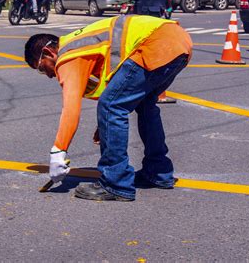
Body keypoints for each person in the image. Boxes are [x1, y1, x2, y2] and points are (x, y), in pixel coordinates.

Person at [24, 15, 192, 201]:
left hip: (155, 43)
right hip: (177, 42)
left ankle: (116, 183)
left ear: (48, 52)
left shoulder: (68, 55)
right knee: (145, 106)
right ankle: (158, 172)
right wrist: (104, 125)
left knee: (112, 106)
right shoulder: (82, 44)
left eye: (41, 67)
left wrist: (58, 151)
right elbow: (117, 85)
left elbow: (71, 108)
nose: (47, 75)